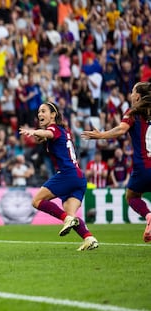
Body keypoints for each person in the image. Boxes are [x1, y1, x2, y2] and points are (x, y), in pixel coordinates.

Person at [19, 101, 99, 251]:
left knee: (37, 201)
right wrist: (41, 136)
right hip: (78, 178)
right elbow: (50, 137)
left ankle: (66, 219)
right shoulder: (64, 130)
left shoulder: (54, 128)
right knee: (71, 214)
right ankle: (89, 238)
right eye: (38, 112)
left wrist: (34, 131)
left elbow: (48, 133)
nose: (40, 114)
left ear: (53, 114)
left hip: (67, 174)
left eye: (43, 111)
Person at [82, 81, 151, 243]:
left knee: (132, 196)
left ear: (138, 96)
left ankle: (148, 216)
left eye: (133, 91)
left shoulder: (133, 112)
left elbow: (121, 130)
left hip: (143, 167)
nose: (131, 94)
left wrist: (100, 135)